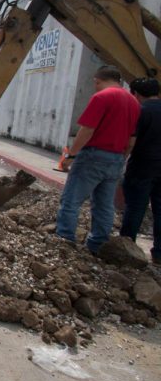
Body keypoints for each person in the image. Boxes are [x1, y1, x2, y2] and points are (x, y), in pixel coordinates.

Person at [56, 65, 140, 253]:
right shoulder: (134, 103)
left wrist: (71, 156)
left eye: (95, 83)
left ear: (97, 80)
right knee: (104, 205)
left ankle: (64, 241)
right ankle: (98, 244)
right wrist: (121, 157)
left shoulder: (102, 97)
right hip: (117, 158)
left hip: (93, 156)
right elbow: (132, 139)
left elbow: (87, 130)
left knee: (71, 200)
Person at [120, 78, 161, 264]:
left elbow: (131, 141)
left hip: (142, 165)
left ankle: (127, 247)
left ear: (135, 93)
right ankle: (159, 253)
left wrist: (121, 159)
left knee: (135, 208)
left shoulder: (140, 112)